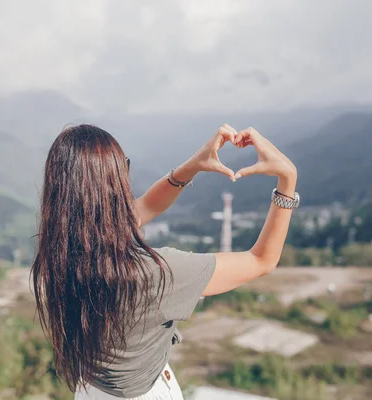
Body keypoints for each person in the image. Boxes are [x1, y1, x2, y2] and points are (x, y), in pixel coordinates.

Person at [32, 124, 298, 400]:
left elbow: (147, 205)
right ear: (112, 184)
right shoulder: (154, 273)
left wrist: (194, 165)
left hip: (91, 390)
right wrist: (288, 179)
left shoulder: (63, 247)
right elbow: (261, 260)